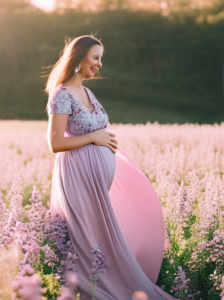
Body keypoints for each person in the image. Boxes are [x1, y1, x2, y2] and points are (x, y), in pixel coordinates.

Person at [45, 34, 176, 300]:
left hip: (97, 183)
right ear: (78, 59)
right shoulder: (61, 94)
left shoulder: (87, 92)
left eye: (101, 58)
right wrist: (95, 138)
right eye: (96, 57)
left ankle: (103, 285)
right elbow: (56, 142)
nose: (100, 64)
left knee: (103, 235)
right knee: (87, 239)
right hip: (77, 180)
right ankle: (91, 289)